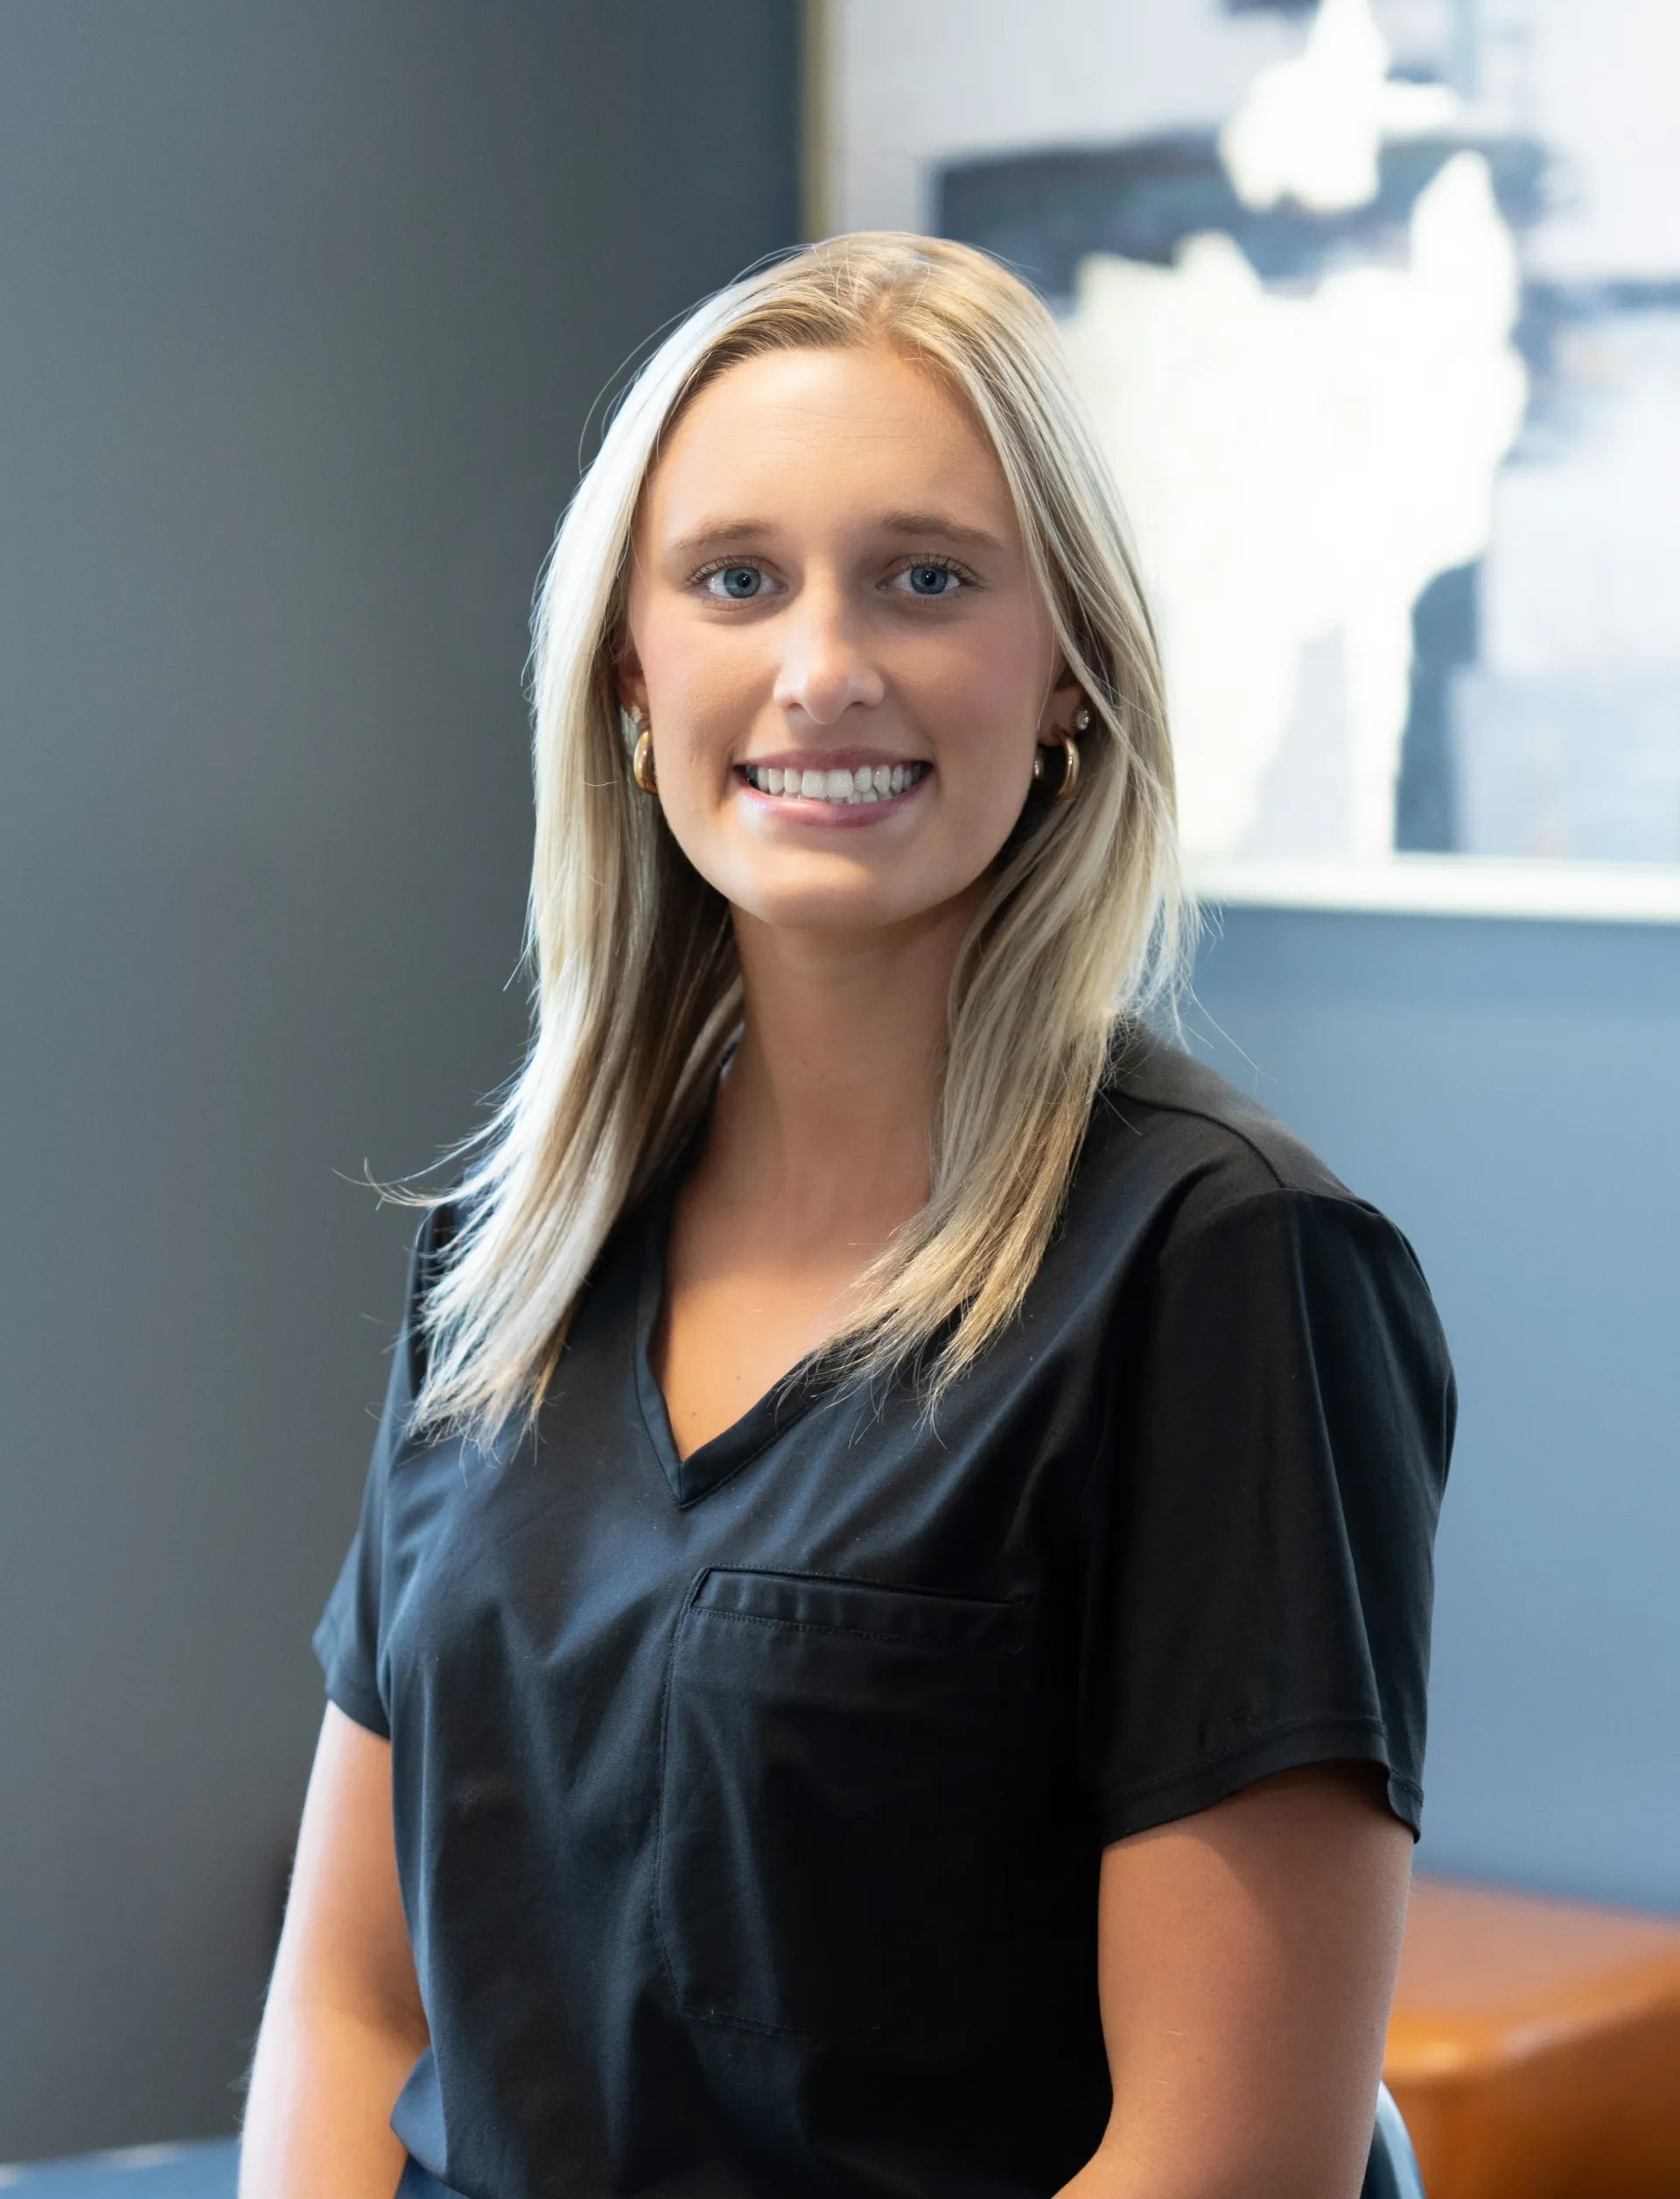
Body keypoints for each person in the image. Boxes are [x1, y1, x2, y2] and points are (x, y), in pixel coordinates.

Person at [241, 235, 1454, 2199]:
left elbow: (1223, 2161)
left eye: (927, 577)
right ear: (634, 672)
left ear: (1064, 668)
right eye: (736, 579)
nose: (822, 666)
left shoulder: (1226, 1269)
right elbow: (353, 2004)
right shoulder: (507, 1244)